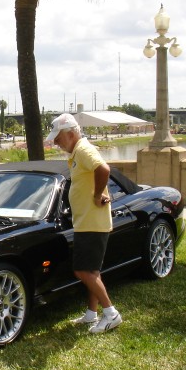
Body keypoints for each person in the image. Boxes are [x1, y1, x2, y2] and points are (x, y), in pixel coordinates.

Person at [46, 113, 122, 334]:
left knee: (82, 270)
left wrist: (98, 194)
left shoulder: (84, 150)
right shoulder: (77, 152)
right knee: (92, 270)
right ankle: (92, 314)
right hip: (87, 220)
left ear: (71, 134)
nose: (57, 143)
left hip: (91, 222)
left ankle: (111, 313)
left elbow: (103, 169)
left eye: (59, 139)